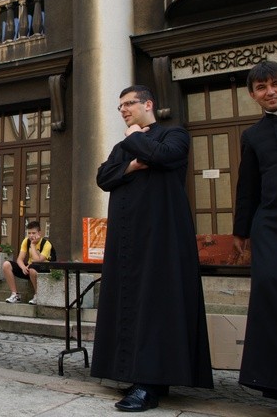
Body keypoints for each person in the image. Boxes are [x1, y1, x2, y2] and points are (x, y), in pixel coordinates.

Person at [90, 85, 212, 412]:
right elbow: (104, 176)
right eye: (120, 107)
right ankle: (135, 374)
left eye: (129, 104)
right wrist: (130, 166)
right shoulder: (126, 145)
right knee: (131, 304)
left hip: (163, 238)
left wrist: (135, 138)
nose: (124, 110)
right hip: (129, 243)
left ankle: (151, 383)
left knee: (158, 306)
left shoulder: (174, 135)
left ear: (148, 104)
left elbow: (162, 156)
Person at [232, 61, 277, 400]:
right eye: (261, 87)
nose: (270, 91)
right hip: (270, 224)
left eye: (275, 84)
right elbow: (247, 187)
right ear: (253, 95)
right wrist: (241, 231)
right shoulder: (252, 135)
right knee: (269, 289)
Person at [2, 221, 56, 304]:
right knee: (6, 264)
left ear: (39, 233)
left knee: (32, 268)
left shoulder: (46, 244)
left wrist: (33, 245)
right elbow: (19, 259)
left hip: (44, 268)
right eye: (29, 233)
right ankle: (15, 295)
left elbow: (38, 261)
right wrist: (23, 267)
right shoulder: (26, 241)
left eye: (33, 233)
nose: (31, 235)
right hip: (29, 268)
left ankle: (38, 295)